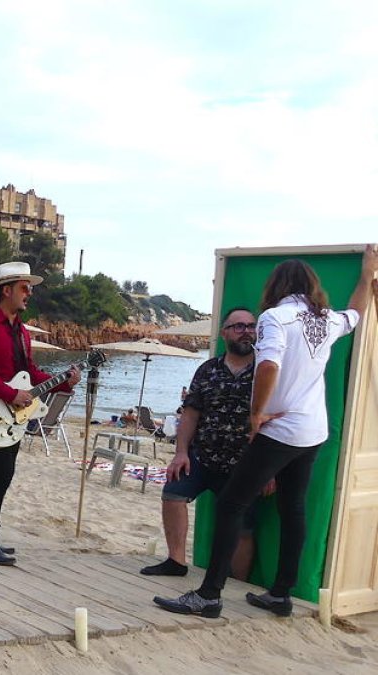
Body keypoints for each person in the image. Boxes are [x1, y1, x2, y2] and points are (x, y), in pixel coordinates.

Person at [155, 245, 378, 618]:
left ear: (275, 285)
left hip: (282, 428)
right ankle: (281, 593)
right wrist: (366, 275)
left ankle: (209, 596)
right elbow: (357, 311)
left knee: (230, 504)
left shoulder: (276, 317)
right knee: (294, 508)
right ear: (312, 287)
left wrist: (256, 414)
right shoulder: (325, 320)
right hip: (313, 430)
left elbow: (269, 365)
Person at [0, 262, 79, 566]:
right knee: (2, 473)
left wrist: (62, 382)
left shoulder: (22, 331)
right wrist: (10, 394)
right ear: (6, 290)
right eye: (25, 288)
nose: (30, 294)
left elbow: (27, 373)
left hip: (10, 413)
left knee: (1, 472)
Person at [140, 307, 262, 580]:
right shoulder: (207, 370)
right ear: (225, 333)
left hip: (244, 464)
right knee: (173, 493)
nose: (247, 332)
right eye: (239, 326)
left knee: (243, 526)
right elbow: (191, 414)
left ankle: (237, 582)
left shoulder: (265, 371)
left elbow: (274, 421)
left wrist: (270, 469)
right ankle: (176, 561)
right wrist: (181, 453)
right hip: (202, 457)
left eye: (251, 326)